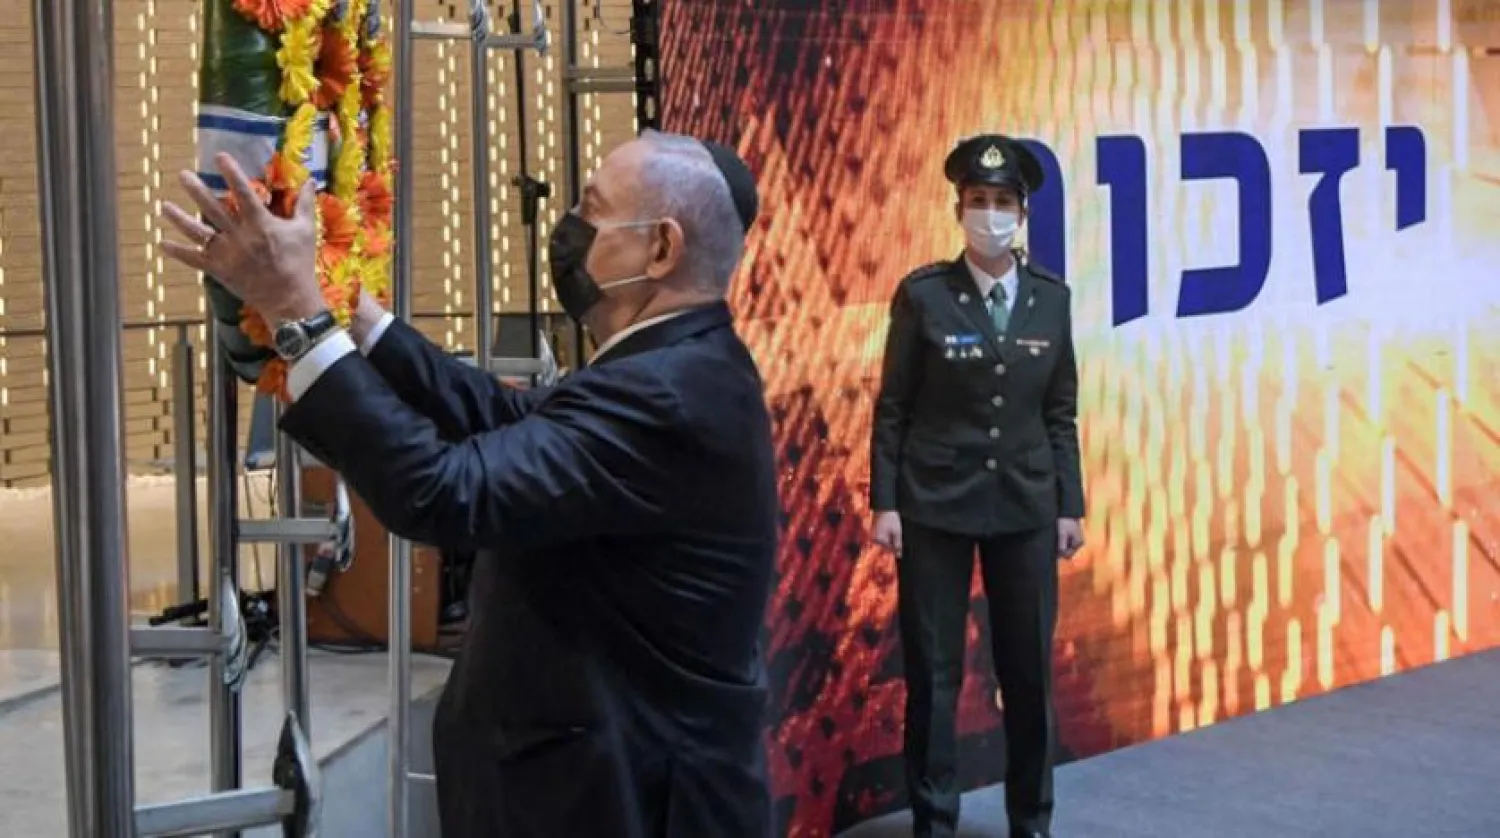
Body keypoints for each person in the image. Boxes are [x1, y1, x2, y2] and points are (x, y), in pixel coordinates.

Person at [161, 131, 778, 838]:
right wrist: (362, 322)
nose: (568, 228)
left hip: (622, 801)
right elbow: (508, 415)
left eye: (591, 210)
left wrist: (299, 317)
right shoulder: (675, 363)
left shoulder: (670, 393)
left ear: (660, 248)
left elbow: (448, 492)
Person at [869, 134, 1086, 838]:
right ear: (958, 208)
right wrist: (886, 501)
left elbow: (1059, 410)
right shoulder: (924, 296)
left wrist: (1070, 505)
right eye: (977, 202)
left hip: (1025, 505)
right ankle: (934, 821)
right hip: (934, 507)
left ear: (1022, 213)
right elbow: (894, 405)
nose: (989, 215)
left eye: (1001, 203)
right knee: (933, 677)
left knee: (1027, 673)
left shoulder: (1052, 300)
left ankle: (1033, 820)